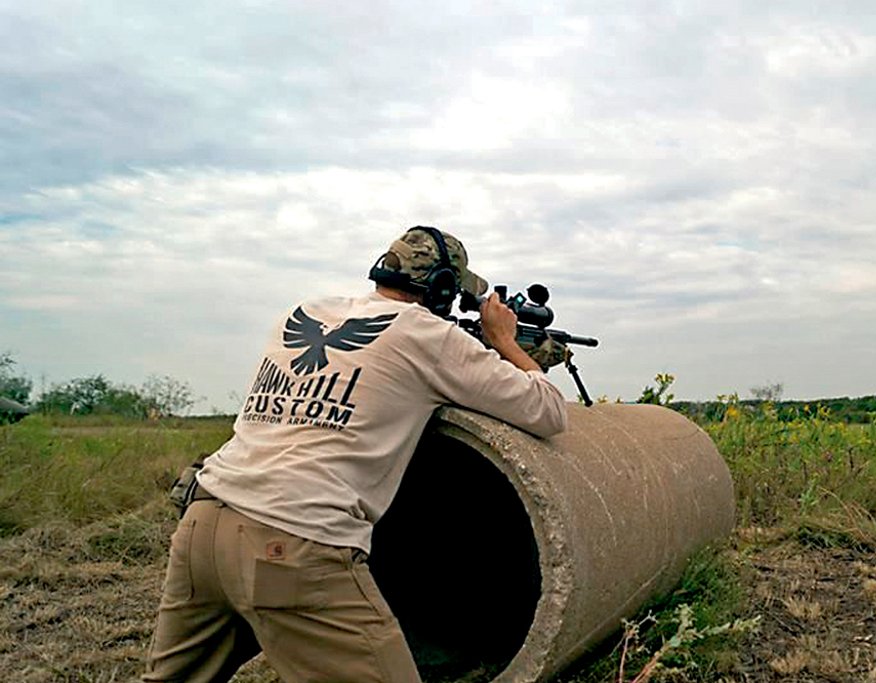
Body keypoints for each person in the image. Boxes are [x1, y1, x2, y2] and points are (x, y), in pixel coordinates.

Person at [144, 226, 569, 682]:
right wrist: (504, 342)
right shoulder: (426, 334)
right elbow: (546, 410)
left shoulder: (303, 312)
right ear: (445, 288)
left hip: (202, 525)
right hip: (293, 541)